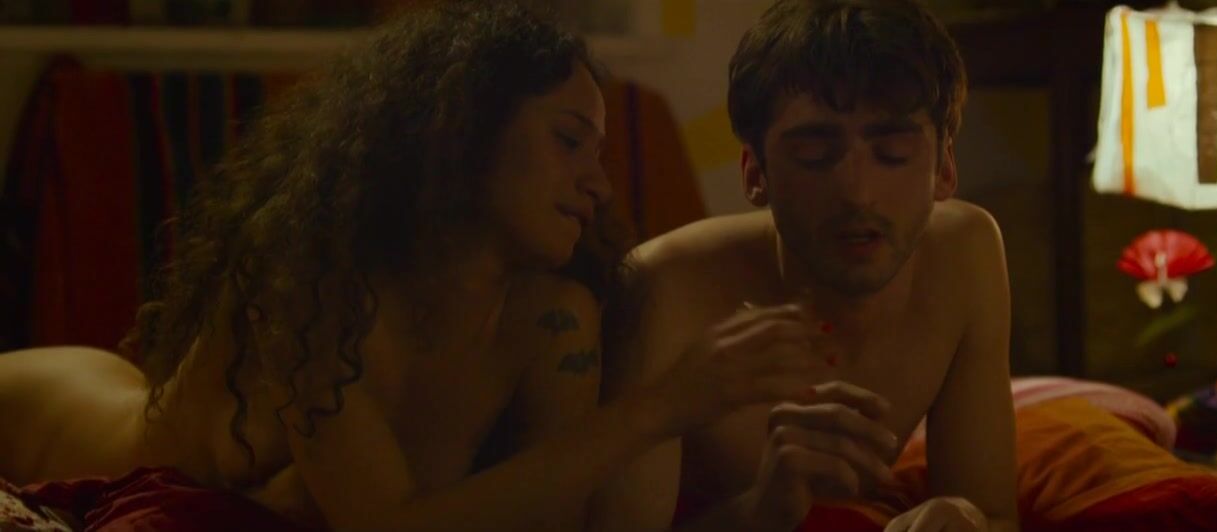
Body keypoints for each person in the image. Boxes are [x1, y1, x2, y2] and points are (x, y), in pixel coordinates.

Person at [0, 2, 837, 530]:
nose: (600, 184)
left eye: (600, 151)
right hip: (53, 418)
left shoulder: (553, 319)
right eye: (569, 141)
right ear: (462, 135)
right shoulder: (313, 288)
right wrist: (660, 406)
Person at [592, 0, 1019, 530]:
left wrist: (961, 517)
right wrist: (765, 509)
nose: (858, 194)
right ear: (755, 173)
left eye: (892, 152)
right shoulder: (662, 289)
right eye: (815, 154)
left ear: (945, 167)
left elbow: (995, 514)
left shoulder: (966, 252)